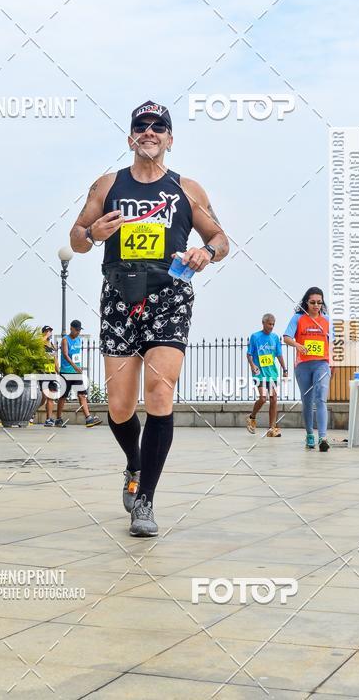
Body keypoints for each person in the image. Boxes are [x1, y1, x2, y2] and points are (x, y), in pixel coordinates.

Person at [69, 102, 229, 537]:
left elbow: (220, 237)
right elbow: (76, 237)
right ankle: (134, 463)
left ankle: (145, 501)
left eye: (160, 127)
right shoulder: (108, 184)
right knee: (120, 406)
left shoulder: (187, 189)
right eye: (142, 126)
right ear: (131, 138)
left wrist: (206, 252)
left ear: (170, 139)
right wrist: (93, 234)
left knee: (160, 393)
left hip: (169, 295)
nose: (150, 132)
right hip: (120, 295)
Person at [283, 287, 332, 452]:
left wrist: (335, 363)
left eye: (319, 302)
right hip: (303, 365)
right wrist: (297, 345)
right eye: (312, 302)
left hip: (322, 364)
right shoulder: (298, 318)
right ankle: (310, 434)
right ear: (306, 302)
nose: (316, 305)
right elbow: (287, 337)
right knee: (307, 402)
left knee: (321, 398)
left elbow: (334, 343)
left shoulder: (327, 320)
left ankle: (323, 437)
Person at [246, 314, 288, 437]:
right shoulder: (255, 337)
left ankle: (272, 429)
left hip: (272, 374)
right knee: (263, 398)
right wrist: (252, 365)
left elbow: (279, 355)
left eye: (273, 324)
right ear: (263, 323)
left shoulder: (275, 338)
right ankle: (251, 417)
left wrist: (285, 369)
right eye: (269, 324)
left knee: (274, 399)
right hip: (259, 373)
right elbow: (249, 354)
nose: (271, 326)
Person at [57, 320, 101, 428]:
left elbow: (76, 355)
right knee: (63, 396)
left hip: (76, 373)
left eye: (79, 330)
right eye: (76, 330)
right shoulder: (65, 340)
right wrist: (75, 366)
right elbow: (66, 355)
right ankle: (58, 419)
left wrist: (78, 366)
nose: (78, 332)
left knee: (82, 394)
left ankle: (88, 418)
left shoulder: (78, 340)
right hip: (66, 372)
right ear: (71, 328)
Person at [40, 326, 60, 427]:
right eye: (47, 331)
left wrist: (59, 371)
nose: (49, 333)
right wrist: (45, 337)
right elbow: (37, 344)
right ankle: (31, 413)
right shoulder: (40, 344)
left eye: (50, 331)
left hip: (51, 373)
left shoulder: (52, 345)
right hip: (43, 373)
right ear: (43, 333)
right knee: (42, 399)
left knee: (51, 396)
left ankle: (48, 419)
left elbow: (55, 359)